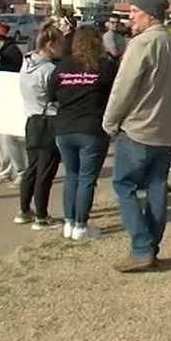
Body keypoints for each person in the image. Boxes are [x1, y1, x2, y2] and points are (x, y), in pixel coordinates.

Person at [104, 0, 171, 273]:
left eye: (134, 11)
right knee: (156, 188)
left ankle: (142, 247)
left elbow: (123, 88)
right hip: (167, 131)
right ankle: (151, 247)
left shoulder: (142, 44)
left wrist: (110, 121)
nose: (130, 17)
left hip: (138, 129)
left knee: (125, 186)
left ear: (150, 14)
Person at [51, 25, 116, 241]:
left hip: (64, 128)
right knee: (87, 179)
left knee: (71, 176)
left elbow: (51, 92)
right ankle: (80, 225)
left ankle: (69, 223)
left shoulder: (63, 66)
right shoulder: (103, 67)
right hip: (91, 128)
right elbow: (114, 94)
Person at [16, 24, 64, 230]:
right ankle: (42, 216)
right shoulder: (49, 70)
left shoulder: (26, 63)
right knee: (46, 171)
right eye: (61, 44)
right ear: (51, 45)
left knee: (32, 168)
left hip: (31, 119)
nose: (64, 48)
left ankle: (24, 210)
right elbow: (56, 95)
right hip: (48, 120)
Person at [0, 21, 26, 185]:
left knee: (11, 138)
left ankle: (19, 170)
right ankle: (6, 170)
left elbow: (14, 67)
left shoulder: (11, 50)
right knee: (0, 138)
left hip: (8, 99)